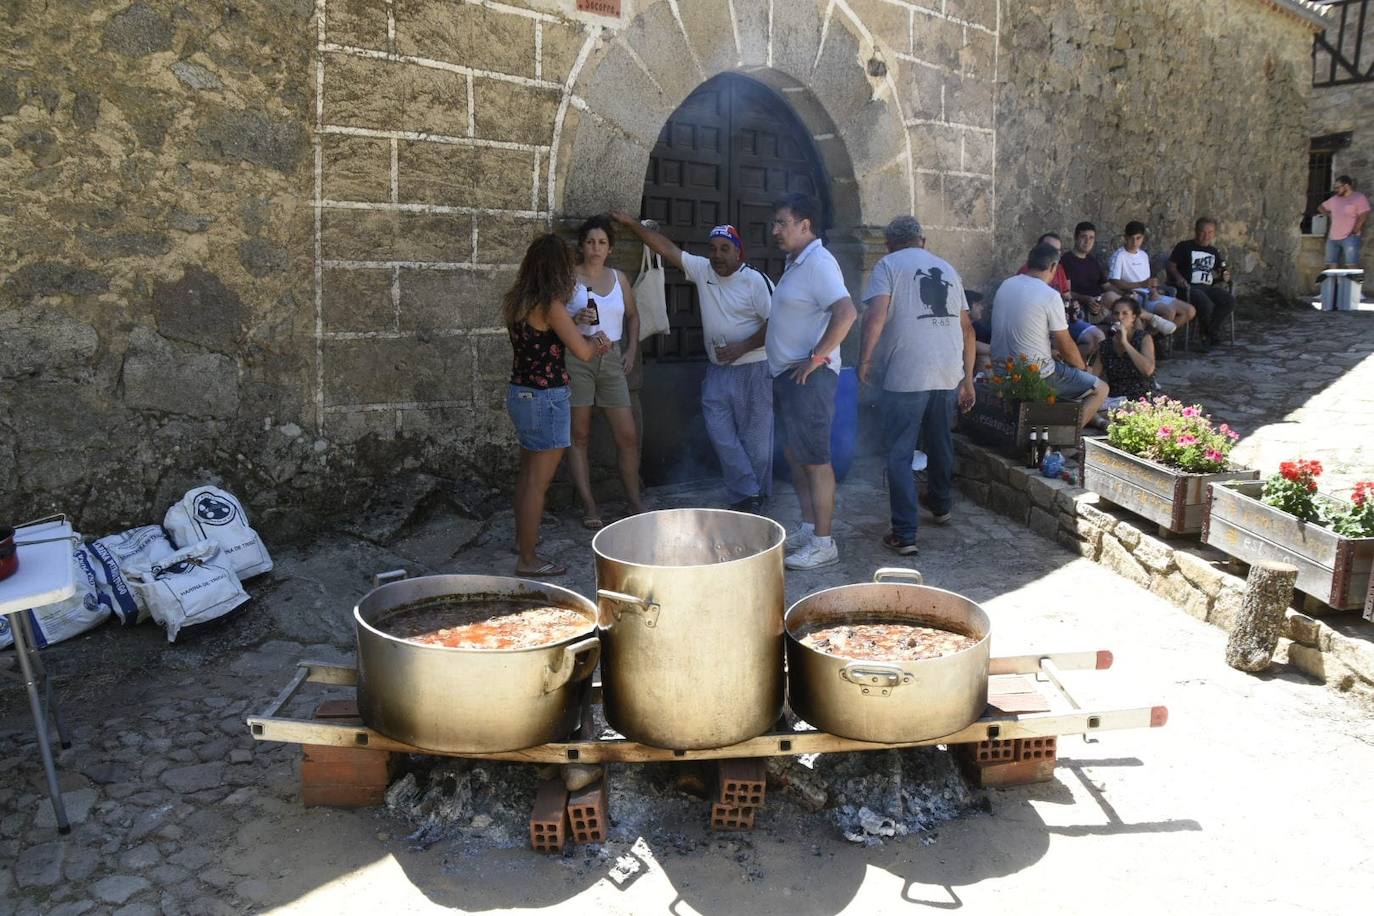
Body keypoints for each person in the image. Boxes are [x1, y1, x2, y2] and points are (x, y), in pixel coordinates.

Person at [610, 211, 774, 512]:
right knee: (721, 434)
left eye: (725, 249)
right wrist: (632, 226)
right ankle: (750, 490)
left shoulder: (755, 281)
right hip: (718, 371)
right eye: (713, 249)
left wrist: (743, 347)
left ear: (738, 251)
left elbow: (777, 324)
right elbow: (667, 249)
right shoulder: (703, 270)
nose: (717, 255)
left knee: (758, 444)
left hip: (754, 368)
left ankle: (753, 498)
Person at [858, 216, 976, 556]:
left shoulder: (888, 265)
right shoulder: (948, 269)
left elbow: (876, 315)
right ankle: (940, 505)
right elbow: (967, 328)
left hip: (907, 372)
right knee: (940, 441)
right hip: (947, 371)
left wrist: (865, 360)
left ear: (890, 243)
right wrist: (967, 379)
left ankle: (905, 533)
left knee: (899, 452)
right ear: (922, 241)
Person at [504, 234, 612, 577]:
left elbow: (545, 337)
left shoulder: (518, 300)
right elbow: (581, 351)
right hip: (546, 398)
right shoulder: (551, 305)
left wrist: (576, 324)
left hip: (520, 392)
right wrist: (597, 341)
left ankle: (522, 542)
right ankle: (529, 559)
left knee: (527, 476)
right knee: (539, 483)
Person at [766, 192, 858, 570]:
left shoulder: (818, 262)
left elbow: (847, 311)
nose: (775, 231)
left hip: (810, 379)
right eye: (775, 224)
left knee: (816, 459)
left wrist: (818, 356)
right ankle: (808, 527)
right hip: (790, 377)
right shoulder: (796, 262)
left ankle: (824, 542)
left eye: (782, 223)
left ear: (805, 226)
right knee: (797, 455)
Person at [565, 215, 644, 530]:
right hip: (577, 358)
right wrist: (576, 321)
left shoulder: (619, 278)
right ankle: (589, 504)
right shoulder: (568, 278)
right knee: (580, 435)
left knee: (626, 434)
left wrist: (630, 351)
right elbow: (554, 323)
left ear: (610, 248)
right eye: (590, 242)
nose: (595, 248)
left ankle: (634, 499)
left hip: (611, 358)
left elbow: (634, 317)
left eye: (602, 243)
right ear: (582, 246)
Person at [991, 242, 1109, 428]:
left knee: (1064, 371)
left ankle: (1069, 424)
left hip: (1000, 370)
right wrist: (1082, 367)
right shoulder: (1050, 295)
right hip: (1035, 374)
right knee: (1100, 389)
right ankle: (1066, 441)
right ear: (1054, 267)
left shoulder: (1006, 285)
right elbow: (1065, 344)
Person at [1019, 231, 1105, 363]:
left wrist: (1072, 305)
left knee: (1098, 338)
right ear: (1039, 248)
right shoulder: (1027, 271)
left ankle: (1071, 363)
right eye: (1049, 248)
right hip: (1043, 325)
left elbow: (1067, 295)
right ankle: (1070, 364)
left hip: (1065, 320)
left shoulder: (1059, 269)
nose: (1054, 253)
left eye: (1057, 251)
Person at [1108, 221, 1195, 332]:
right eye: (1131, 238)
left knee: (1190, 311)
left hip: (1149, 294)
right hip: (1135, 296)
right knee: (1169, 312)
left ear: (1143, 238)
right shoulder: (1119, 256)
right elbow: (1114, 281)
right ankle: (1146, 339)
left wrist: (1154, 290)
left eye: (1138, 238)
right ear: (1125, 238)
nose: (1134, 242)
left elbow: (1147, 281)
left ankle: (1156, 337)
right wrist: (1140, 285)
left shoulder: (1143, 255)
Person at [1167, 217, 1235, 350]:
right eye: (1203, 232)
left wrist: (1225, 274)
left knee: (1229, 300)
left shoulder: (1213, 251)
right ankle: (1206, 336)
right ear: (1196, 231)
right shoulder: (1184, 247)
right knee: (1205, 303)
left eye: (1210, 232)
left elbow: (1220, 269)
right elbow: (1171, 265)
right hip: (1187, 287)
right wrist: (1179, 278)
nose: (1206, 236)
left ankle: (1209, 332)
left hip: (1207, 287)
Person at [1091, 294, 1156, 413]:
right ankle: (1102, 421)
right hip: (1115, 398)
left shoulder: (1143, 338)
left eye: (1125, 313)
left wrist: (1125, 343)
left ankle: (1102, 421)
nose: (1119, 317)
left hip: (1140, 397)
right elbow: (1093, 376)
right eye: (1116, 314)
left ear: (1133, 317)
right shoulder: (1105, 345)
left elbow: (1148, 370)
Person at [1061, 221, 1111, 325]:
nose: (1087, 241)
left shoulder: (1093, 261)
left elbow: (1107, 285)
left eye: (1091, 238)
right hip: (1082, 309)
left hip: (1100, 304)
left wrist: (1125, 295)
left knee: (1132, 316)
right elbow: (1066, 292)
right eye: (1084, 237)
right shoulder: (1065, 261)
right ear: (1075, 238)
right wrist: (1088, 299)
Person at [1318, 175, 1370, 269]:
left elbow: (1364, 213)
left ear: (1346, 186)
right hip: (1333, 237)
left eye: (1338, 187)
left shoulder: (1359, 197)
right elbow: (1321, 207)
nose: (1335, 190)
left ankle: (1354, 284)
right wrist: (1329, 215)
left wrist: (1356, 229)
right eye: (1335, 187)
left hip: (1350, 237)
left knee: (1352, 265)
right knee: (1331, 265)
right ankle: (1334, 284)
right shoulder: (1334, 199)